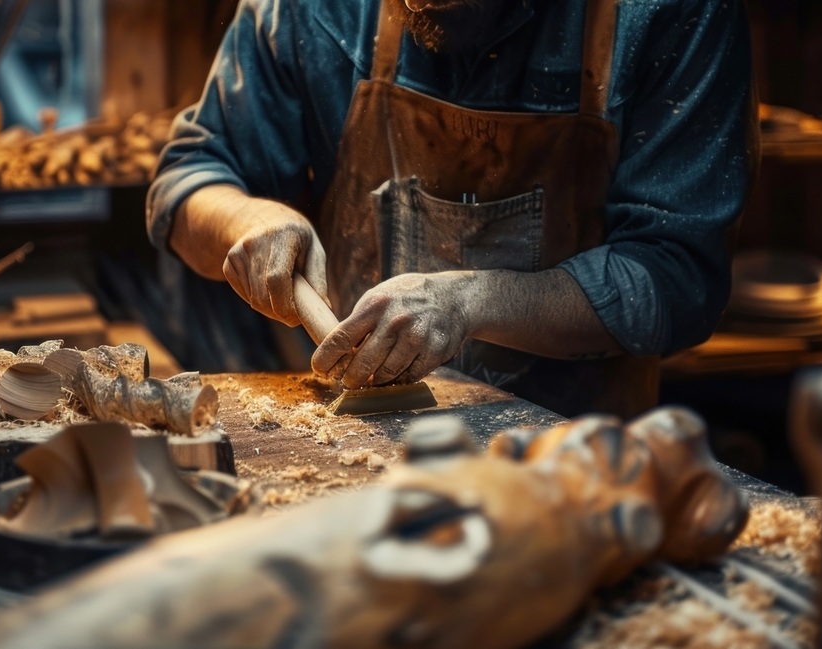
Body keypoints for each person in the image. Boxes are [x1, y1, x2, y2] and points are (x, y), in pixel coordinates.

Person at [148, 0, 757, 417]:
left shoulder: (670, 14)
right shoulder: (315, 10)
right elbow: (189, 180)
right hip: (349, 440)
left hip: (575, 462)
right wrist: (246, 220)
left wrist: (473, 302)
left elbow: (678, 277)